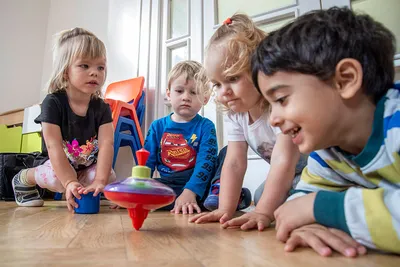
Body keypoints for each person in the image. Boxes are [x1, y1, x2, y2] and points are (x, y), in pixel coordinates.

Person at [252, 7, 398, 256]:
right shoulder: (329, 151)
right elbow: (299, 203)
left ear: (345, 80)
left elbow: (312, 204)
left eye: (282, 99)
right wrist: (305, 222)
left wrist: (323, 209)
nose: (273, 120)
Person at [190, 14, 307, 230]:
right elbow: (234, 162)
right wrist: (225, 209)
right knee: (262, 194)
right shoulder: (236, 113)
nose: (224, 92)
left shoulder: (278, 106)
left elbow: (284, 160)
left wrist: (262, 212)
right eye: (217, 84)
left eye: (233, 78)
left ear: (260, 70)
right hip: (290, 175)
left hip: (317, 170)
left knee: (277, 201)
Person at [12, 28, 116, 212]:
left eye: (100, 67)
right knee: (56, 179)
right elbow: (53, 146)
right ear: (65, 71)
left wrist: (100, 181)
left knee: (109, 176)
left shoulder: (102, 107)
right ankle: (24, 177)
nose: (95, 73)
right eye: (84, 66)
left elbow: (107, 144)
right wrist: (69, 182)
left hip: (84, 165)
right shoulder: (53, 103)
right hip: (55, 162)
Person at [144, 60, 218, 214]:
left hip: (199, 183)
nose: (186, 97)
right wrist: (134, 192)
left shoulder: (206, 126)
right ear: (169, 95)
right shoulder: (157, 127)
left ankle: (218, 196)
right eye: (179, 91)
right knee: (148, 189)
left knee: (227, 155)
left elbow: (206, 163)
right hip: (169, 183)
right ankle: (184, 202)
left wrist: (190, 191)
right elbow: (147, 162)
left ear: (205, 98)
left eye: (193, 92)